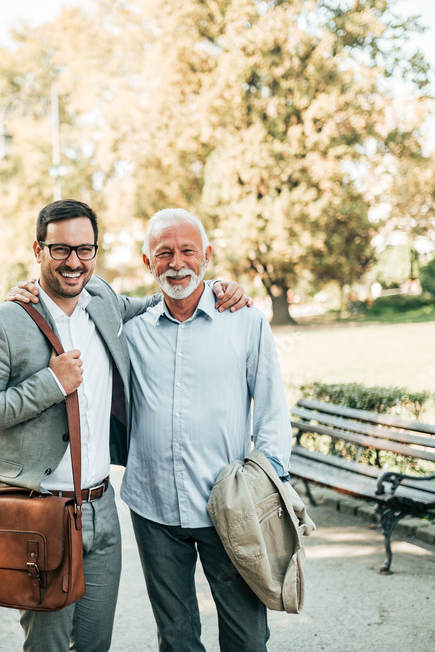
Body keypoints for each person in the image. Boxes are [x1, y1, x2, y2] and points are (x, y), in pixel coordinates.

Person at [0, 199, 249, 652]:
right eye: (60, 250)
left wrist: (220, 289)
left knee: (95, 645)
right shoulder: (4, 322)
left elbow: (167, 294)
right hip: (39, 511)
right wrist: (51, 382)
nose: (74, 262)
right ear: (38, 250)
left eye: (84, 250)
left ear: (95, 252)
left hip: (102, 507)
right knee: (48, 645)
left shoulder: (104, 301)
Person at [121, 208, 292, 652]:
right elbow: (75, 303)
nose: (176, 263)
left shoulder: (245, 321)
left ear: (207, 256)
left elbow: (272, 410)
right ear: (147, 262)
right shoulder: (130, 332)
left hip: (231, 508)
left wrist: (266, 485)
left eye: (187, 251)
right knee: (176, 640)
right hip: (154, 505)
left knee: (247, 638)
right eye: (164, 253)